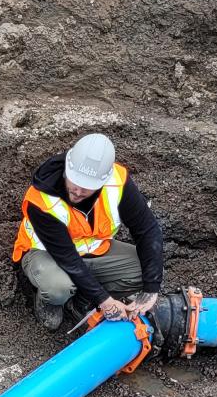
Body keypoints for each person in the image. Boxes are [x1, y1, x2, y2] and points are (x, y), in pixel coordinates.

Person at [12, 131, 167, 332]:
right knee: (58, 287)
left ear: (102, 181)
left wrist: (151, 289)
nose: (77, 192)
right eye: (74, 182)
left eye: (86, 187)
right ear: (67, 169)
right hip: (46, 254)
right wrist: (105, 301)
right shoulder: (41, 199)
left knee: (148, 269)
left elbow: (148, 230)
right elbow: (67, 257)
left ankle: (80, 302)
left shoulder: (117, 182)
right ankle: (50, 301)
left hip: (94, 250)